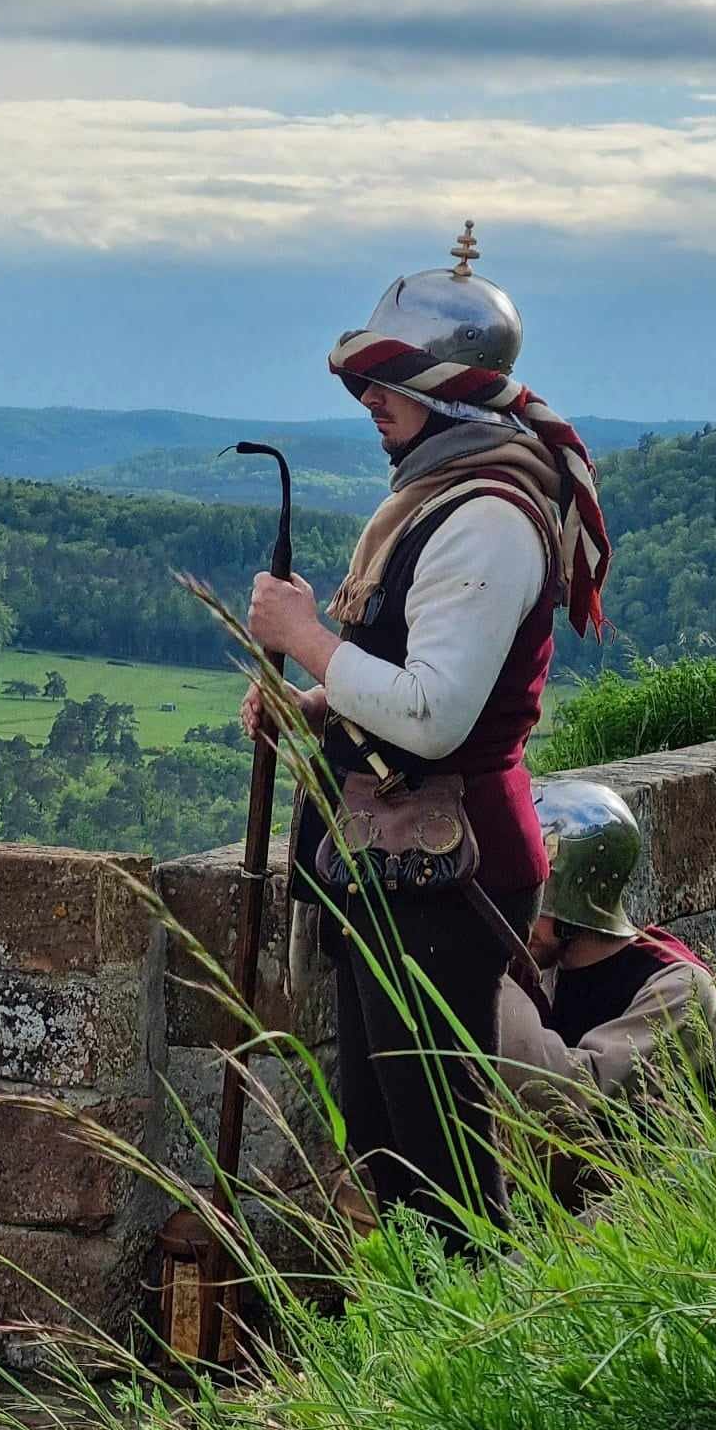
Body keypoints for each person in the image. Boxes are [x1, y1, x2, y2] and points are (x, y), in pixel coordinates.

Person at [242, 221, 611, 1244]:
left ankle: (481, 1326)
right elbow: (413, 684)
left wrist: (308, 641)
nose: (370, 399)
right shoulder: (441, 496)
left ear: (452, 391)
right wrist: (316, 705)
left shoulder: (486, 516)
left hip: (448, 867)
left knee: (442, 1159)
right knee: (384, 1146)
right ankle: (421, 1320)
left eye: (390, 380)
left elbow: (438, 713)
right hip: (398, 857)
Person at [497, 778, 716, 1149]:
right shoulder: (539, 970)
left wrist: (484, 979)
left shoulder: (680, 988)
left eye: (535, 904)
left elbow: (582, 1089)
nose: (518, 919)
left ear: (577, 904)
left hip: (661, 1180)